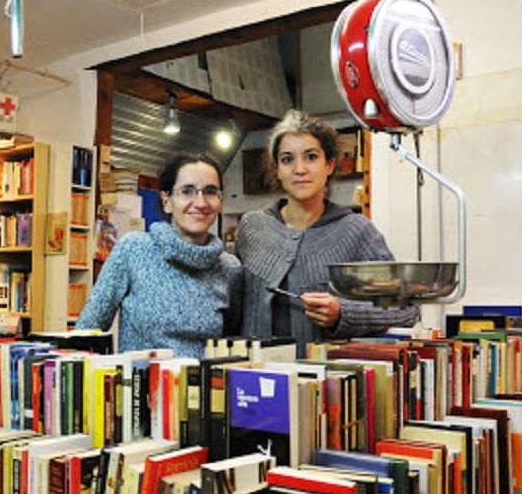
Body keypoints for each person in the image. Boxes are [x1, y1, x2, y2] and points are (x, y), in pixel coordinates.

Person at [237, 109, 419, 356]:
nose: (299, 169)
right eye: (287, 159)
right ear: (277, 169)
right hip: (253, 380)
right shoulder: (252, 227)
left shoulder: (356, 231)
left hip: (325, 384)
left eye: (311, 157)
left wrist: (343, 313)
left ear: (330, 165)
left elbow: (406, 309)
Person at [75, 152, 242, 358]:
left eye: (210, 192)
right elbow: (86, 334)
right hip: (138, 386)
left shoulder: (230, 268)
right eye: (187, 191)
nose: (201, 202)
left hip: (204, 388)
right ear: (167, 201)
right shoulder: (133, 249)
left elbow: (234, 345)